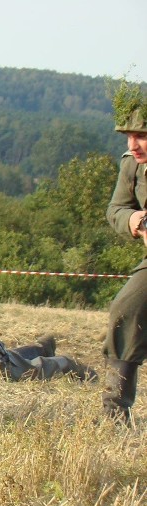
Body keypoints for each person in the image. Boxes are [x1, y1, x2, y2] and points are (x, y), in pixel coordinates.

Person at [102, 88, 147, 425]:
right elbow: (117, 208)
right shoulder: (132, 165)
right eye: (130, 136)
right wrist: (134, 221)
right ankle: (115, 414)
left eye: (142, 136)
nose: (133, 145)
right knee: (125, 310)